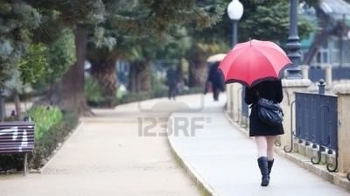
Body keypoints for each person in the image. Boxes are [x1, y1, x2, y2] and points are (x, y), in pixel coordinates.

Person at [244, 79, 284, 187]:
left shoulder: (251, 78)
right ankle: (267, 175)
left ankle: (264, 176)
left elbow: (247, 100)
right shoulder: (275, 77)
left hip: (258, 115)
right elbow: (279, 98)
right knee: (270, 149)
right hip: (272, 115)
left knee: (261, 148)